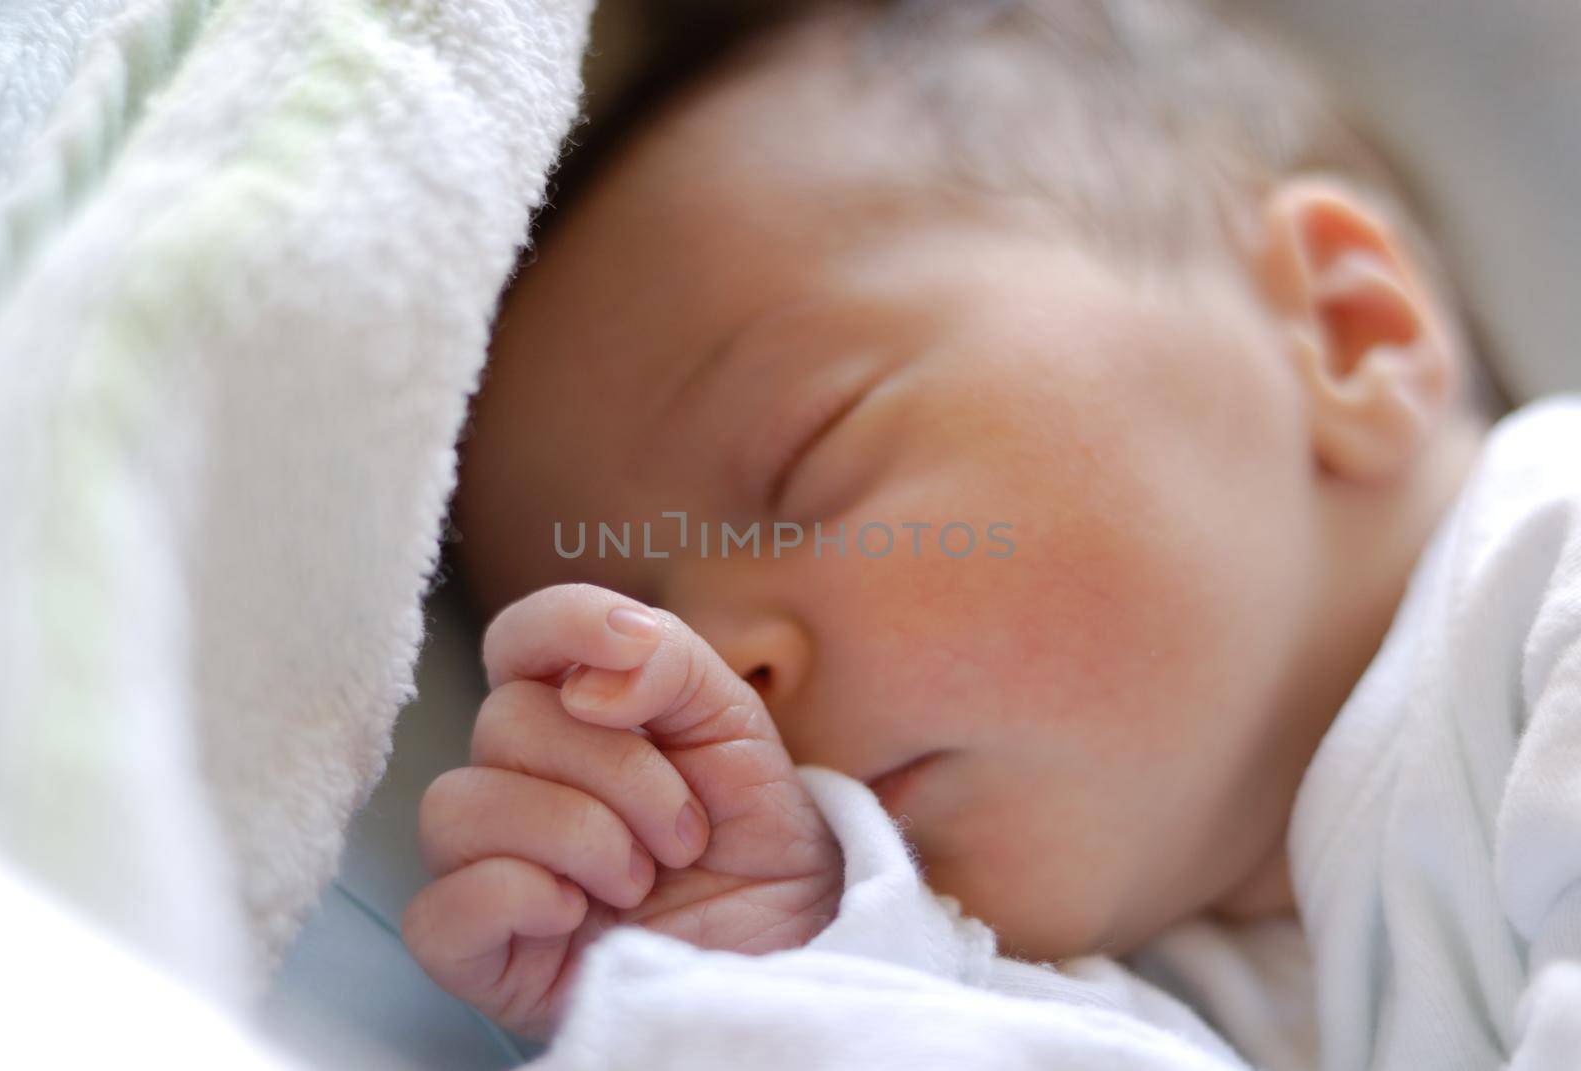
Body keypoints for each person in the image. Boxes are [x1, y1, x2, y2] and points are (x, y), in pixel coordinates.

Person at [401, 1, 1581, 1065]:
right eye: (644, 627)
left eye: (806, 459)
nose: (719, 669)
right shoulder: (1139, 986)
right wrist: (790, 976)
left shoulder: (1544, 578)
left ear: (1344, 329)